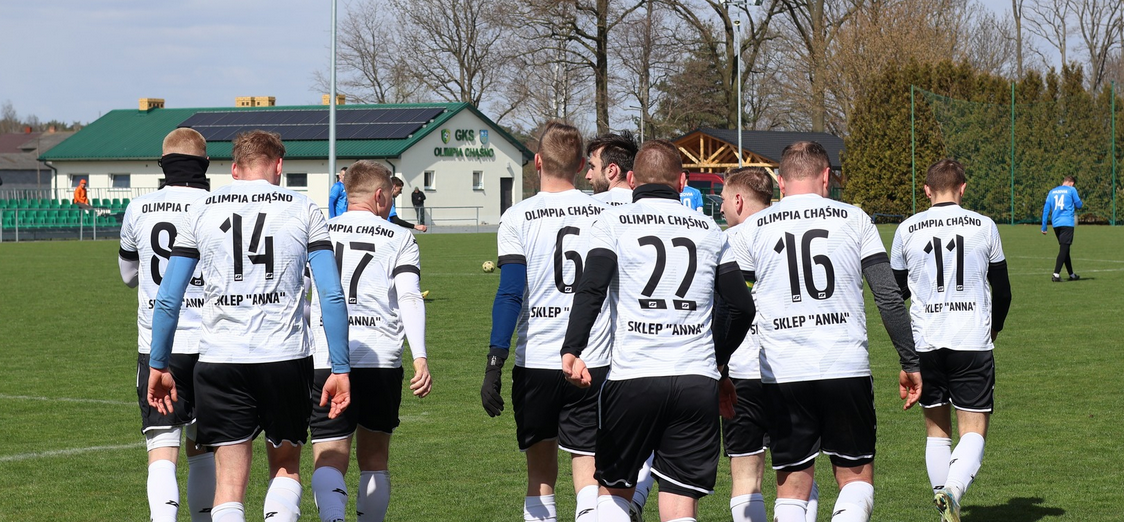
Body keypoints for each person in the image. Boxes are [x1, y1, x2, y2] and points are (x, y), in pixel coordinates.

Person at [146, 130, 352, 522]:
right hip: (285, 357)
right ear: (279, 165)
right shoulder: (304, 208)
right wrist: (340, 368)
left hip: (220, 359)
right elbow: (331, 294)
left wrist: (159, 363)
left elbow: (169, 298)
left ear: (234, 169)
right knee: (286, 467)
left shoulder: (202, 209)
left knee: (228, 484)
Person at [561, 139, 756, 522]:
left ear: (633, 180)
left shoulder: (611, 222)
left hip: (632, 378)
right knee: (680, 507)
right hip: (695, 381)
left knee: (614, 495)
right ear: (682, 182)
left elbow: (592, 287)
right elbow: (741, 306)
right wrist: (717, 364)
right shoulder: (710, 229)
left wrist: (573, 348)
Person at [727, 141, 921, 522]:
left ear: (781, 182)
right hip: (845, 367)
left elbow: (736, 306)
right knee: (856, 481)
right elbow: (887, 296)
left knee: (793, 489)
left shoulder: (753, 228)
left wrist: (719, 366)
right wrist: (910, 360)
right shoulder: (855, 219)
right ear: (827, 176)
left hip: (783, 373)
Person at [481, 121, 611, 522]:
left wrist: (494, 363)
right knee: (589, 469)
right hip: (592, 358)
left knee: (539, 475)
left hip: (537, 360)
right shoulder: (606, 212)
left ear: (537, 162)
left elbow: (510, 294)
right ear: (581, 166)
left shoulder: (517, 216)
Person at [308, 160, 433, 522]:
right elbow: (409, 296)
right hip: (381, 357)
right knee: (375, 458)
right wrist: (420, 356)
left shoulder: (319, 232)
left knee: (330, 455)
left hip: (326, 356)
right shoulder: (400, 237)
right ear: (380, 195)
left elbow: (300, 293)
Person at [890, 159, 1012, 522]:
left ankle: (944, 506)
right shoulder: (984, 225)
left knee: (936, 431)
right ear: (963, 188)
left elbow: (896, 294)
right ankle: (952, 492)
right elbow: (1003, 291)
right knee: (973, 429)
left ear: (927, 190)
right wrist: (995, 327)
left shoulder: (906, 229)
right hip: (971, 339)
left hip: (925, 343)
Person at [118, 128, 214, 522]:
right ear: (204, 164)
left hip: (159, 345)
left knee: (161, 449)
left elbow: (128, 275)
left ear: (163, 165)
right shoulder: (217, 205)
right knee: (204, 450)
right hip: (212, 343)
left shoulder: (138, 207)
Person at [718, 167, 819, 522]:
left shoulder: (727, 242)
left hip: (742, 371)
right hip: (793, 367)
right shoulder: (797, 231)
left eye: (723, 200)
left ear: (739, 201)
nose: (721, 208)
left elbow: (724, 310)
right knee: (799, 473)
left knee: (746, 478)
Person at [1041, 175, 1082, 282]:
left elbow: (1046, 209)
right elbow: (1079, 205)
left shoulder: (1052, 191)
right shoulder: (1072, 190)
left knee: (1065, 248)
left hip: (1056, 224)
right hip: (1067, 223)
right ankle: (1056, 274)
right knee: (1064, 249)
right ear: (1072, 183)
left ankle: (1072, 275)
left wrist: (1044, 226)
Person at [586, 131, 638, 207]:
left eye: (593, 167)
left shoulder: (589, 206)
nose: (588, 176)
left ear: (611, 170)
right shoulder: (647, 206)